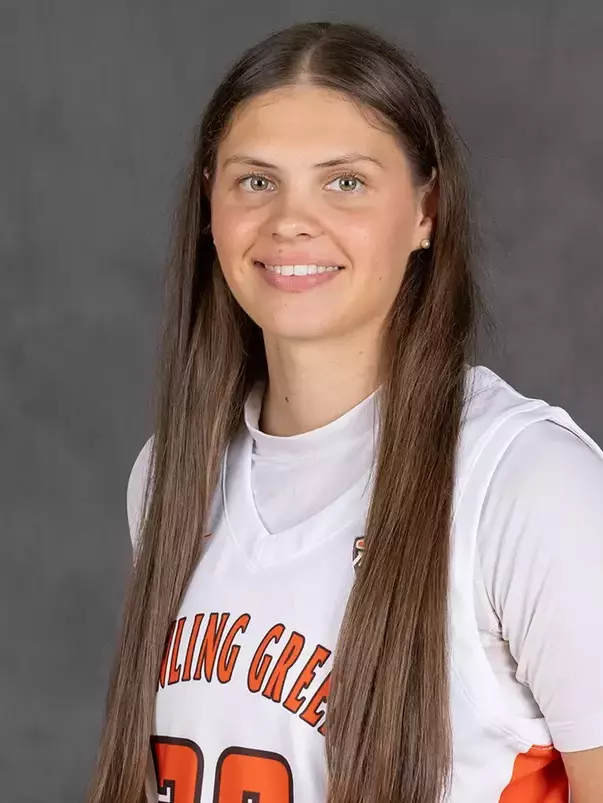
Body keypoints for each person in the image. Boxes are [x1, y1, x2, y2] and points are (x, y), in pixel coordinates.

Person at [87, 20, 603, 803]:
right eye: (255, 181)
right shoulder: (170, 472)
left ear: (425, 210)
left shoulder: (528, 485)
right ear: (209, 206)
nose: (291, 221)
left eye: (345, 182)